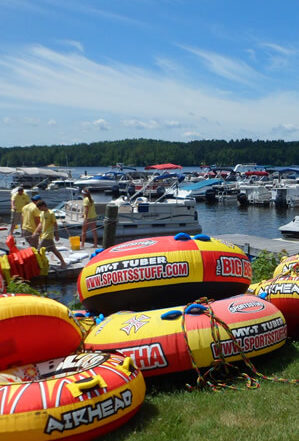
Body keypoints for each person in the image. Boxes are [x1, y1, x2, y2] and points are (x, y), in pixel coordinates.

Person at [33, 200, 67, 268]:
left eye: (40, 208)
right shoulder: (42, 213)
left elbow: (55, 224)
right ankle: (63, 262)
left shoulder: (51, 213)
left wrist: (56, 235)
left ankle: (38, 265)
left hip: (48, 235)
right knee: (53, 250)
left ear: (43, 206)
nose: (39, 209)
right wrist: (36, 231)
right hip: (43, 234)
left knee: (39, 251)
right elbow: (41, 223)